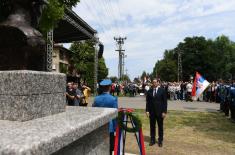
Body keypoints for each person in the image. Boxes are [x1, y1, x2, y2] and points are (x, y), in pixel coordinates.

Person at [93, 79, 118, 155]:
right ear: (110, 87)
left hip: (98, 125)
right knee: (109, 149)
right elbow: (115, 116)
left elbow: (94, 112)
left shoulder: (96, 99)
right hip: (109, 127)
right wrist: (115, 128)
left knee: (99, 147)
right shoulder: (113, 99)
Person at [146, 79, 167, 147]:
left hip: (160, 112)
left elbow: (165, 102)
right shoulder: (149, 91)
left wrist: (164, 111)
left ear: (158, 83)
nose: (154, 83)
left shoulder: (162, 90)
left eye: (155, 82)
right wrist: (147, 111)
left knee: (160, 126)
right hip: (152, 112)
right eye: (153, 82)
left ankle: (160, 140)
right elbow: (147, 102)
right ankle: (152, 139)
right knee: (152, 126)